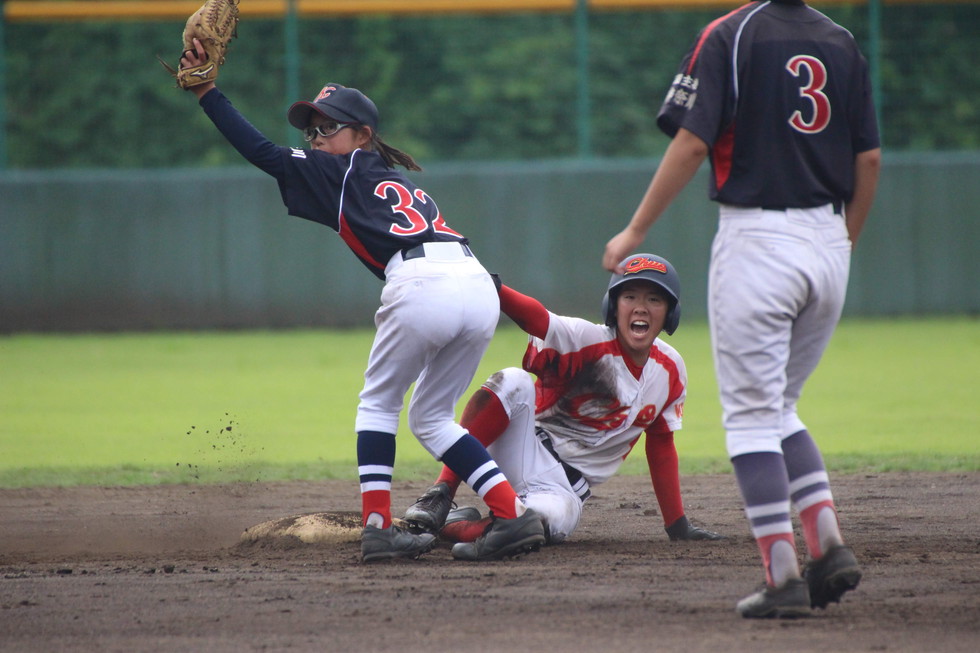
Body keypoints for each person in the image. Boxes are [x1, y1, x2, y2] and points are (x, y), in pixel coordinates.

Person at [177, 41, 545, 562]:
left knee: (377, 404)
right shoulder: (392, 178)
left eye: (328, 127)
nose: (316, 139)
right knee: (432, 417)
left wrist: (208, 93)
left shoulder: (341, 169)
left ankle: (378, 528)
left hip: (424, 283)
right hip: (477, 282)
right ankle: (512, 515)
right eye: (311, 131)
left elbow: (261, 152)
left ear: (362, 135)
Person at [602, 1, 881, 618]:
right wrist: (842, 247)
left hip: (758, 240)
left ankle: (783, 577)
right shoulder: (841, 41)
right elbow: (869, 160)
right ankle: (826, 544)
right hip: (830, 239)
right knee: (779, 407)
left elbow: (692, 142)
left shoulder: (732, 32)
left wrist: (635, 230)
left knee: (753, 419)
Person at [402, 253, 723, 554]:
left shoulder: (671, 369)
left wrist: (677, 525)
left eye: (654, 299)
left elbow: (661, 443)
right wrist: (488, 285)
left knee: (537, 524)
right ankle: (439, 496)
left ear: (670, 313)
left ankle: (448, 530)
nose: (641, 308)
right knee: (513, 381)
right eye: (629, 297)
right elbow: (537, 319)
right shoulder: (588, 339)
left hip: (563, 491)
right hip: (522, 445)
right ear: (613, 307)